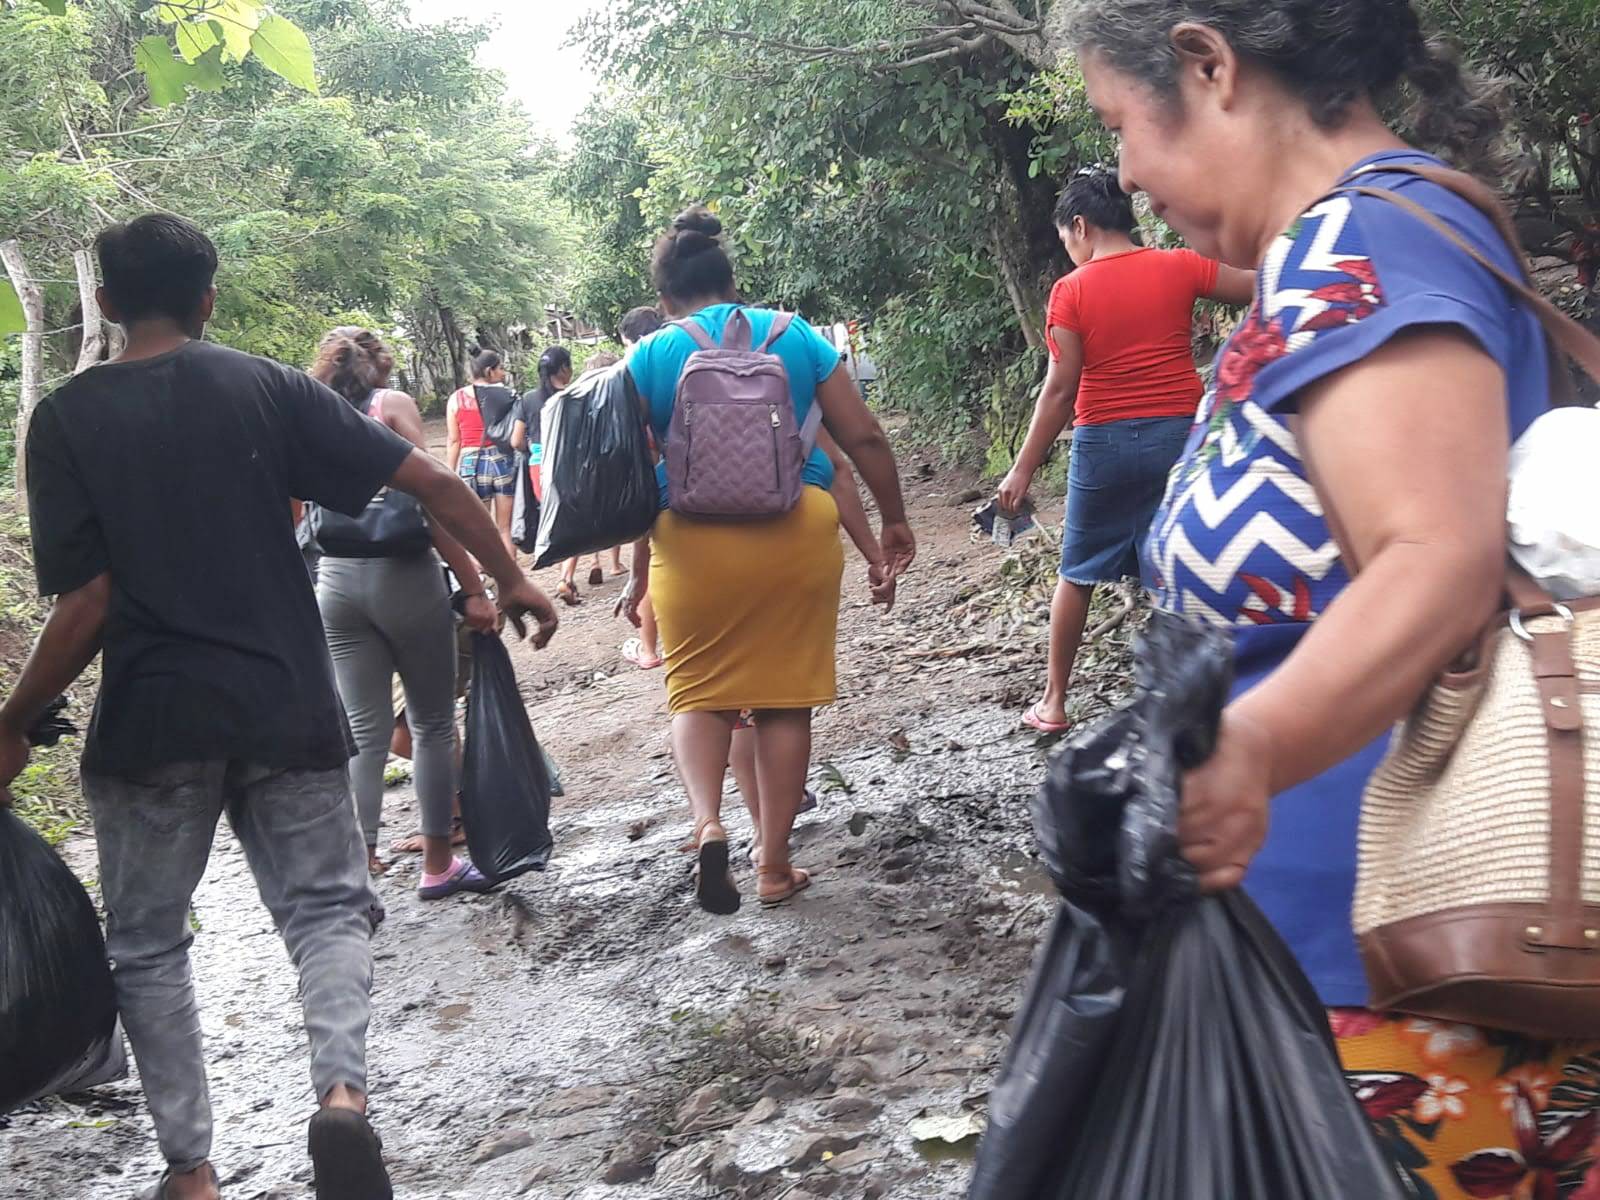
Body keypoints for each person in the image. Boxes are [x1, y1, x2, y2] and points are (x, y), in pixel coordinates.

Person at [1064, 1, 1600, 1193]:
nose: (1129, 174)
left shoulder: (1354, 246)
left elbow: (1434, 554)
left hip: (1389, 977)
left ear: (1208, 65)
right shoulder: (1390, 229)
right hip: (1356, 952)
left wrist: (1247, 748)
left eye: (1120, 126)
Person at [0, 213, 559, 1200]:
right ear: (208, 298)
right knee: (328, 911)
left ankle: (193, 1170)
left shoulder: (67, 420)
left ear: (107, 305)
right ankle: (342, 1098)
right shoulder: (263, 386)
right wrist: (508, 578)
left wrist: (14, 718)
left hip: (153, 721)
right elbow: (428, 478)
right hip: (283, 703)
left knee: (149, 941)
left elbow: (86, 604)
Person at [619, 205, 915, 912]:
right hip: (796, 534)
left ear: (665, 301)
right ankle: (775, 866)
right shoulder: (799, 338)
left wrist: (637, 577)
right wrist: (894, 521)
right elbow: (864, 439)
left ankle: (708, 822)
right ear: (733, 284)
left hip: (688, 543)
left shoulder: (649, 355)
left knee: (699, 694)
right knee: (783, 702)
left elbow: (629, 475)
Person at [998, 165, 1254, 735]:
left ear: (1081, 226)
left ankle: (1055, 702)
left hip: (1104, 445)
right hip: (1178, 437)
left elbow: (1060, 389)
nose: (1067, 250)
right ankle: (1199, 694)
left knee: (1078, 572)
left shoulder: (1071, 291)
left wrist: (1021, 470)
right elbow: (1262, 286)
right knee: (1180, 563)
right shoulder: (1180, 266)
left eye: (1066, 238)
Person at [309, 327, 499, 896]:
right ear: (382, 365)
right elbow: (433, 500)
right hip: (404, 574)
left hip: (335, 581)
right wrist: (474, 586)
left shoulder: (308, 412)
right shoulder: (392, 406)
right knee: (433, 722)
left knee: (364, 733)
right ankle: (439, 864)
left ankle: (358, 869)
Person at [616, 308, 669, 669]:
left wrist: (636, 574)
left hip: (661, 490)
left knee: (656, 567)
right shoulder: (679, 357)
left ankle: (649, 649)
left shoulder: (635, 371)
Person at [511, 346, 578, 599]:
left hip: (538, 467)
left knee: (554, 516)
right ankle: (565, 578)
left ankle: (559, 569)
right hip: (567, 464)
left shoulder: (527, 399)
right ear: (563, 369)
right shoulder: (573, 395)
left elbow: (516, 440)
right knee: (573, 521)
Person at [446, 348, 519, 557]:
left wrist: (451, 472)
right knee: (505, 528)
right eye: (500, 369)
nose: (503, 373)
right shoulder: (506, 395)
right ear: (490, 371)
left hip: (471, 463)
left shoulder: (456, 398)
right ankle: (511, 579)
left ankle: (484, 578)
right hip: (502, 460)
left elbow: (454, 440)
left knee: (479, 529)